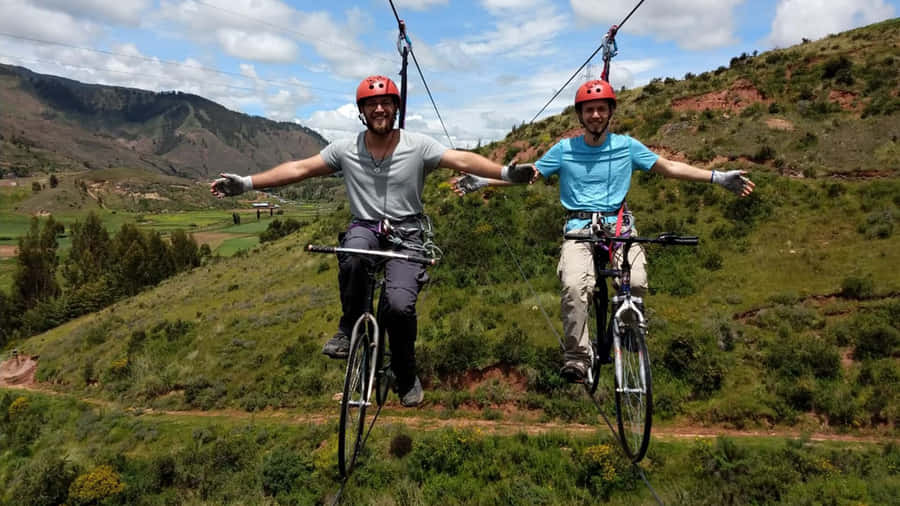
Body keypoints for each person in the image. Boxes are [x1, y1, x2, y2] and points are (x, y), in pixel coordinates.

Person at [211, 75, 533, 406]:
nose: (379, 109)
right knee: (353, 255)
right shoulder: (345, 149)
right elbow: (299, 169)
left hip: (407, 233)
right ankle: (349, 328)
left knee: (399, 306)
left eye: (385, 103)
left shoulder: (418, 146)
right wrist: (247, 183)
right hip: (365, 226)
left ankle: (405, 373)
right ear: (362, 112)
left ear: (396, 108)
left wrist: (505, 173)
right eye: (372, 104)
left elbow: (462, 160)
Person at [452, 79, 755, 383]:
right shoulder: (565, 149)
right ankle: (578, 357)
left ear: (610, 112)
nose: (595, 115)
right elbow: (528, 174)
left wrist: (717, 177)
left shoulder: (627, 146)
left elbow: (670, 167)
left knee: (635, 281)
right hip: (579, 230)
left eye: (601, 109)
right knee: (574, 286)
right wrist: (482, 180)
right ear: (580, 115)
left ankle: (626, 329)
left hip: (619, 227)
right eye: (589, 110)